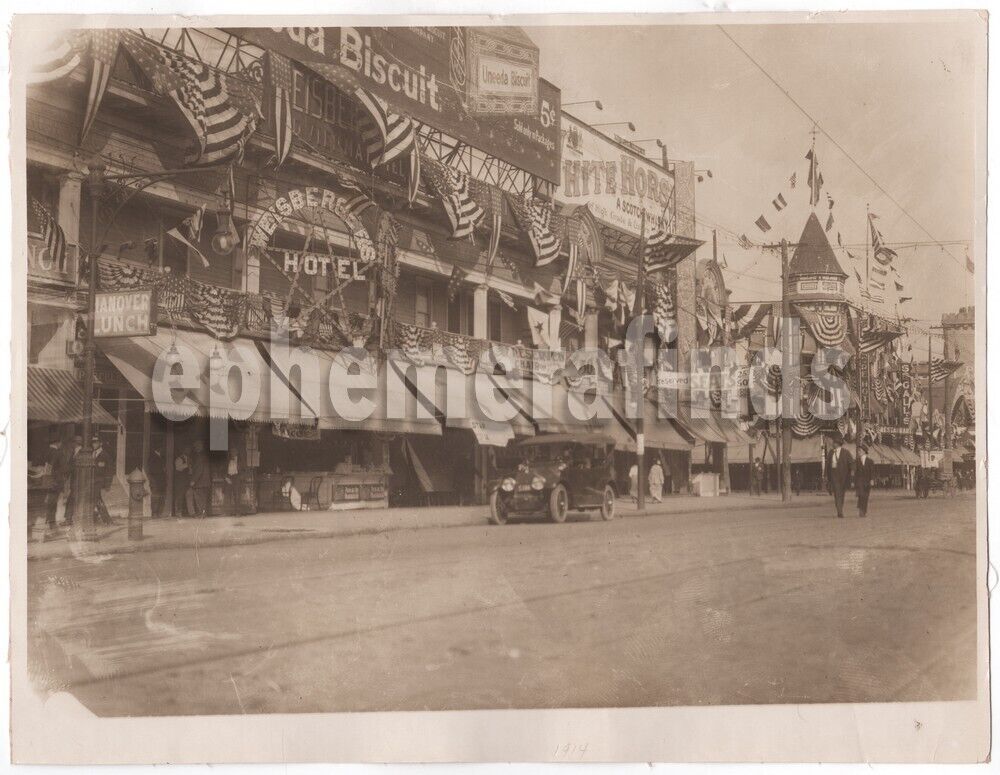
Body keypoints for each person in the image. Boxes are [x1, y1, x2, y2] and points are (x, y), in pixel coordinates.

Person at [826, 435, 854, 519]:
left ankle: (840, 508)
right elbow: (828, 465)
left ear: (838, 444)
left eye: (834, 442)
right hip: (834, 475)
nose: (832, 444)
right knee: (837, 494)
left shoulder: (846, 452)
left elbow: (851, 463)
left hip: (844, 476)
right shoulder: (830, 452)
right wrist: (827, 477)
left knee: (842, 494)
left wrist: (852, 473)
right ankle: (840, 511)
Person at [92, 434, 114, 525]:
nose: (94, 444)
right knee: (96, 499)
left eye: (96, 442)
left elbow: (109, 470)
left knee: (96, 498)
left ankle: (106, 519)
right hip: (92, 481)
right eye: (93, 442)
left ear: (100, 443)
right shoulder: (91, 453)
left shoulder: (105, 455)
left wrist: (108, 484)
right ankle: (104, 519)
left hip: (99, 481)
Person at [186, 440, 211, 517]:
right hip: (205, 481)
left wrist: (193, 480)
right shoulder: (205, 456)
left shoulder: (199, 457)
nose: (194, 448)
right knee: (203, 498)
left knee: (199, 499)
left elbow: (199, 470)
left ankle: (202, 514)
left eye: (195, 447)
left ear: (198, 447)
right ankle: (204, 513)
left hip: (200, 482)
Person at [855, 443, 874, 517]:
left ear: (864, 451)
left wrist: (872, 480)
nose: (858, 452)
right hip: (859, 481)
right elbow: (855, 472)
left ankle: (864, 510)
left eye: (860, 451)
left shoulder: (870, 461)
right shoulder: (857, 461)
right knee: (861, 495)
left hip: (867, 481)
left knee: (866, 496)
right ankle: (861, 511)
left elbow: (872, 471)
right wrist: (853, 481)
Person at [174, 448, 190, 516]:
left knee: (186, 495)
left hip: (186, 480)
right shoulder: (179, 459)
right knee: (179, 496)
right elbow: (178, 468)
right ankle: (178, 512)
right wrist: (187, 464)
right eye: (187, 449)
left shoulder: (188, 458)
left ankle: (184, 511)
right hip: (180, 480)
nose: (188, 451)